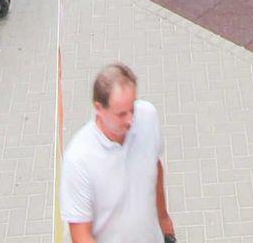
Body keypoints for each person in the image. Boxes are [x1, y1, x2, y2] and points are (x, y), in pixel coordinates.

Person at [62, 63, 174, 243]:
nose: (131, 120)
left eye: (132, 109)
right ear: (99, 108)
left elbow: (155, 167)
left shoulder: (148, 116)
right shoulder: (78, 159)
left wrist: (163, 218)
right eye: (121, 114)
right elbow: (81, 236)